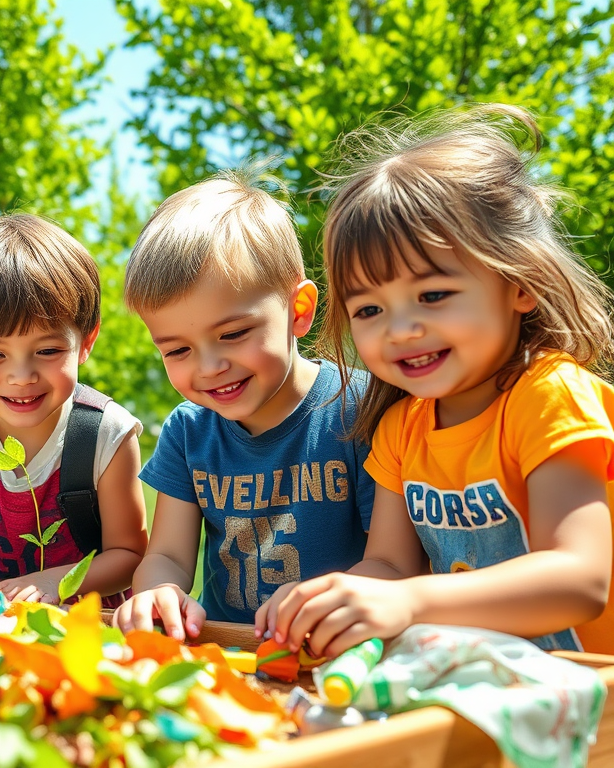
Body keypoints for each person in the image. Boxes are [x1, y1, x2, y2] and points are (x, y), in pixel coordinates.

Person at [268, 104, 614, 657]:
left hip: (592, 704)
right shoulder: (403, 428)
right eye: (369, 310)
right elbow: (391, 563)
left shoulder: (551, 396)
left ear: (520, 282)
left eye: (432, 296)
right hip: (489, 688)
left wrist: (413, 602)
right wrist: (334, 597)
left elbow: (580, 580)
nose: (401, 330)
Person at [111, 166, 375, 641]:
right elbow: (168, 555)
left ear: (298, 311)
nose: (209, 366)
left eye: (232, 335)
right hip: (228, 652)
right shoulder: (189, 431)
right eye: (177, 350)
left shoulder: (356, 408)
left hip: (337, 651)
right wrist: (158, 591)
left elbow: (394, 563)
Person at [0, 213, 148, 606]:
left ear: (86, 341)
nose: (21, 376)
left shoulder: (106, 433)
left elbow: (129, 555)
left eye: (48, 351)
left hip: (89, 631)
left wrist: (54, 582)